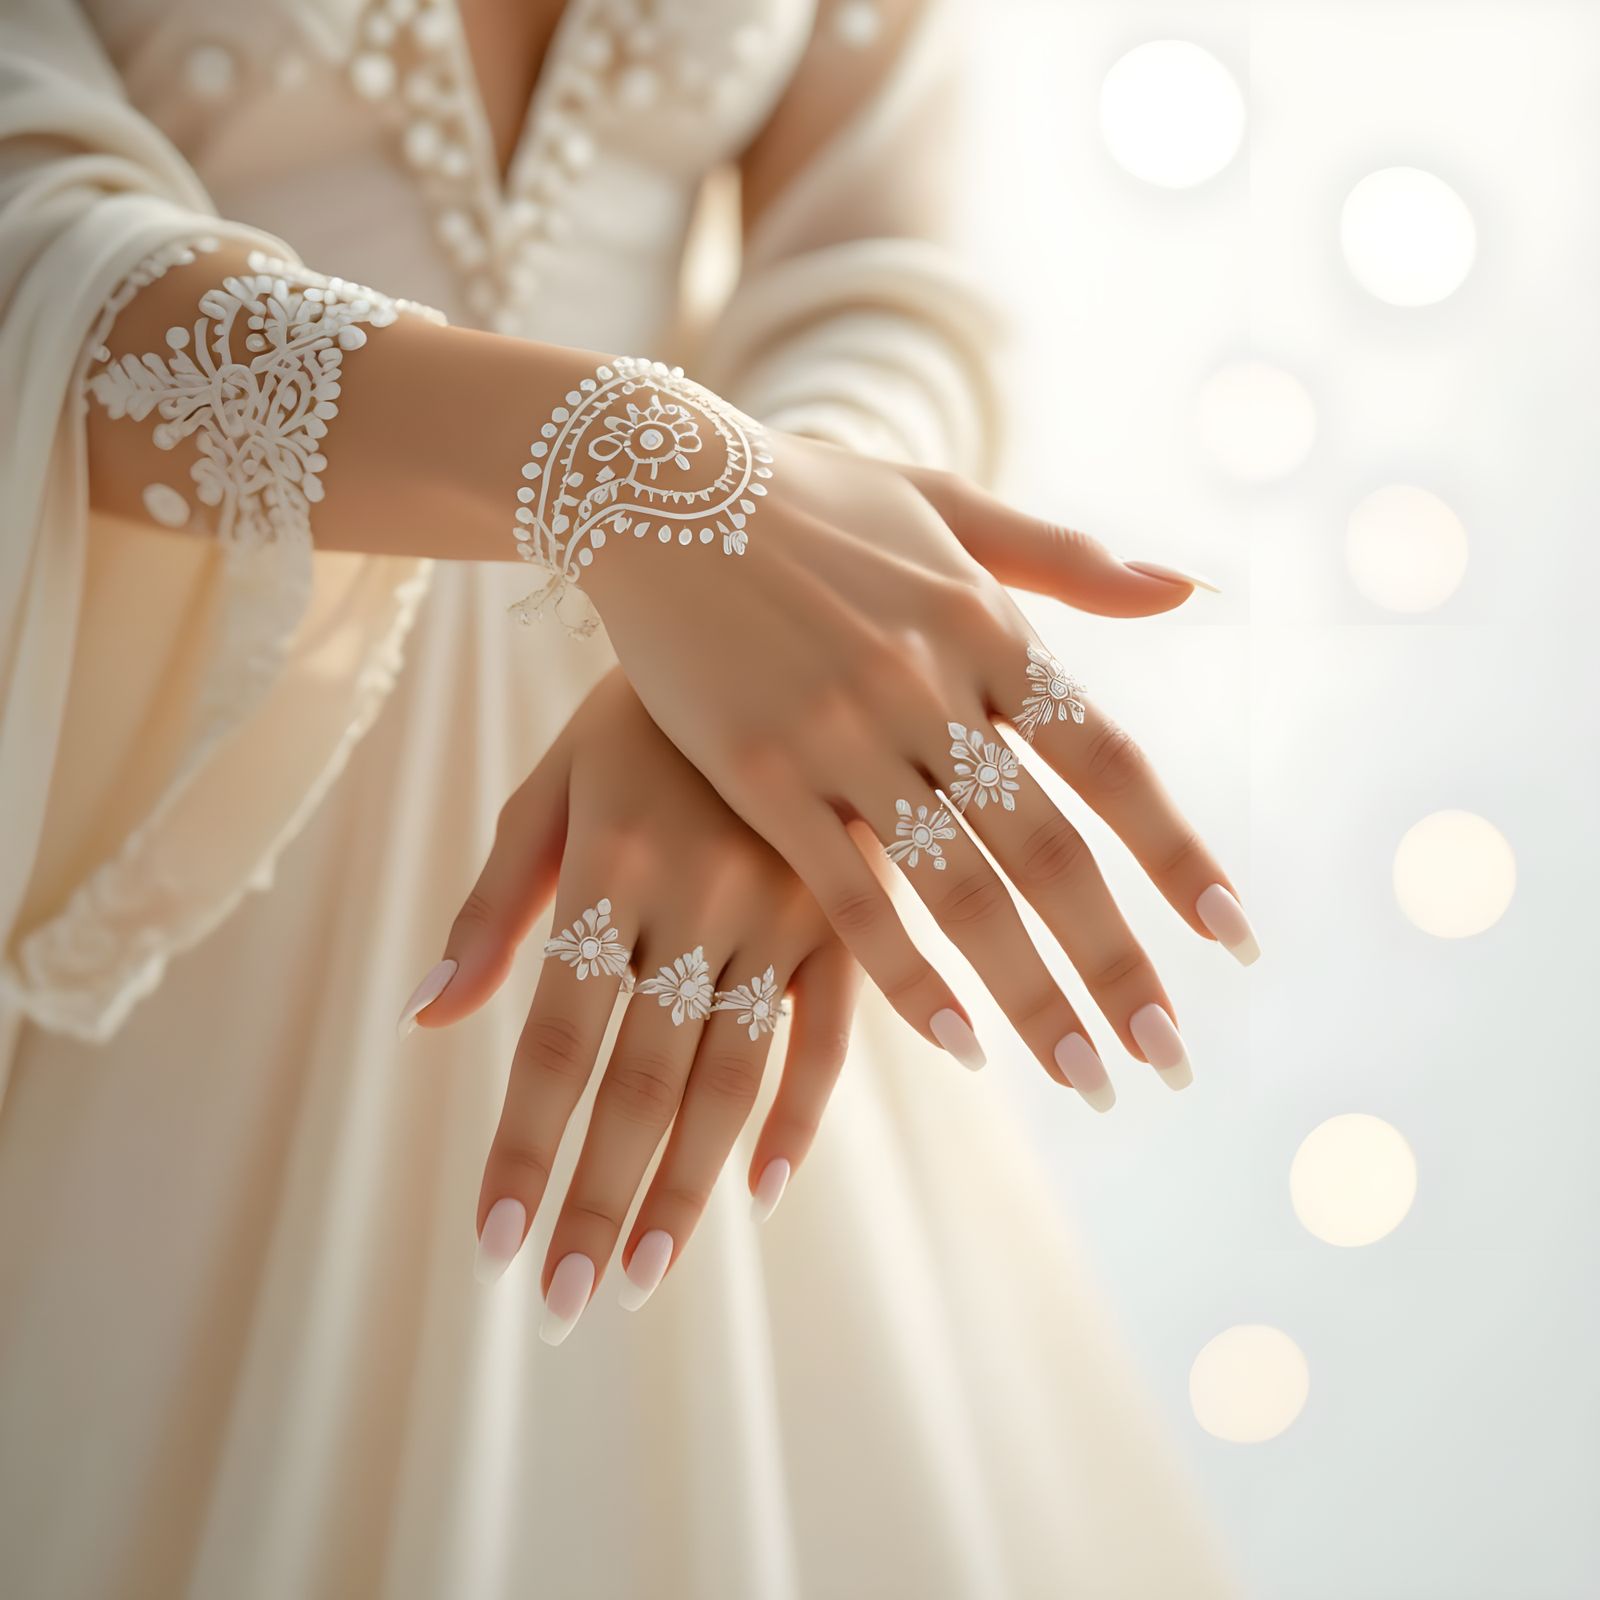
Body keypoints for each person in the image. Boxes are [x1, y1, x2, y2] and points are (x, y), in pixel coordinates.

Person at [0, 0, 1249, 1593]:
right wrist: (635, 470)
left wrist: (800, 637)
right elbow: (26, 244)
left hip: (721, 802)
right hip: (208, 761)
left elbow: (886, 271)